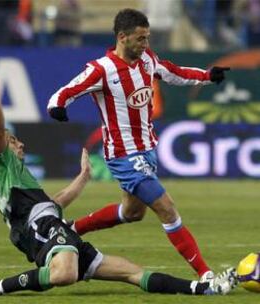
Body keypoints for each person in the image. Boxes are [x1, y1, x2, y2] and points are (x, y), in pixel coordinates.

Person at [0, 66, 237, 297]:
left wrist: (83, 177)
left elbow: (53, 203)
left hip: (50, 226)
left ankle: (205, 289)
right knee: (64, 274)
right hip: (42, 230)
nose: (20, 145)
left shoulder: (17, 180)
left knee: (131, 272)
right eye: (15, 142)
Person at [47, 8, 230, 281]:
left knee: (133, 212)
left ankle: (71, 228)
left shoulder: (147, 59)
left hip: (147, 149)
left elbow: (172, 72)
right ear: (122, 37)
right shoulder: (101, 70)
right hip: (123, 154)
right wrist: (57, 107)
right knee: (166, 208)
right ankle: (206, 274)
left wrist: (207, 74)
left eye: (147, 38)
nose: (145, 44)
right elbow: (64, 92)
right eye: (140, 38)